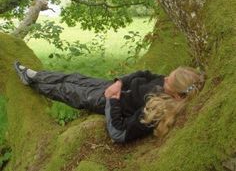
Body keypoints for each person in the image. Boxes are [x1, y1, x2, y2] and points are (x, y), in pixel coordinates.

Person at [13, 61, 205, 143]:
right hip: (113, 87)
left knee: (68, 91)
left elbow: (119, 133)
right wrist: (119, 82)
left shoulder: (157, 109)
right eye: (167, 76)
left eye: (168, 82)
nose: (163, 80)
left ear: (177, 96)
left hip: (107, 100)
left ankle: (30, 82)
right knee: (74, 77)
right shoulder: (164, 82)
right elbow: (143, 74)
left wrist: (111, 100)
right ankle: (36, 75)